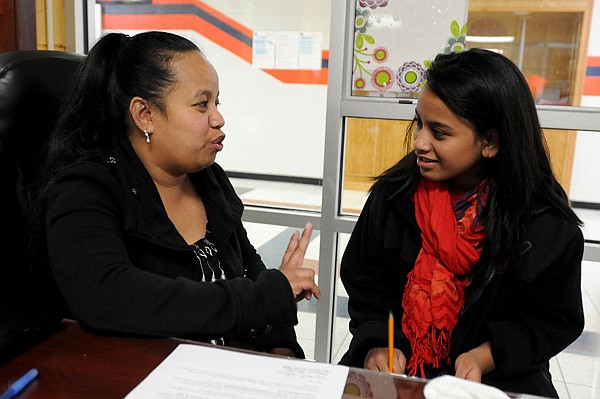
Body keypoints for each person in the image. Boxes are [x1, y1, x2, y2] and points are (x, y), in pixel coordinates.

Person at [33, 31, 321, 358]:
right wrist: (265, 297)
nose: (218, 118)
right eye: (202, 104)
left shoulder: (207, 178)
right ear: (145, 115)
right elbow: (106, 294)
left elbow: (247, 267)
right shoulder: (86, 187)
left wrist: (279, 343)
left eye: (217, 102)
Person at [338, 48, 584, 398]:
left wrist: (486, 355)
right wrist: (379, 341)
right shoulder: (394, 196)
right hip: (397, 372)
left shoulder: (545, 227)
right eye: (419, 123)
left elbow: (552, 321)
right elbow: (366, 283)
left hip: (495, 379)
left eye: (439, 133)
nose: (420, 142)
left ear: (490, 142)